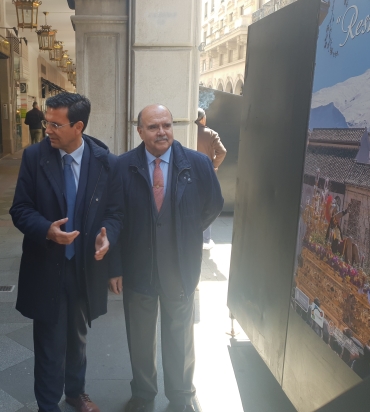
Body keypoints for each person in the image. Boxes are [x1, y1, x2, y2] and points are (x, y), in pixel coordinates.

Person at [10, 93, 123, 412]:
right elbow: (20, 208)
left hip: (86, 267)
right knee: (48, 341)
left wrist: (108, 238)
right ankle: (48, 404)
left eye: (56, 124)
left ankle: (76, 391)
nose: (48, 129)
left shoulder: (105, 162)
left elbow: (115, 213)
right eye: (46, 121)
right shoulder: (34, 157)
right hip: (46, 264)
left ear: (78, 126)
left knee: (78, 336)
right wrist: (46, 229)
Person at [112, 104, 223, 412]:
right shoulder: (122, 167)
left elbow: (213, 205)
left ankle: (182, 397)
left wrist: (184, 231)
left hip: (180, 269)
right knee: (140, 338)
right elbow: (114, 218)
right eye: (153, 126)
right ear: (140, 131)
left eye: (166, 125)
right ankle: (143, 395)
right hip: (139, 269)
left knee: (181, 337)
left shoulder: (198, 164)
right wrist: (115, 267)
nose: (161, 131)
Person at [195, 107, 226, 250]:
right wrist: (213, 165)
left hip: (188, 173)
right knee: (208, 204)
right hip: (206, 175)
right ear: (202, 119)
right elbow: (222, 151)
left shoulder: (188, 132)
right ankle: (205, 239)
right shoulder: (211, 133)